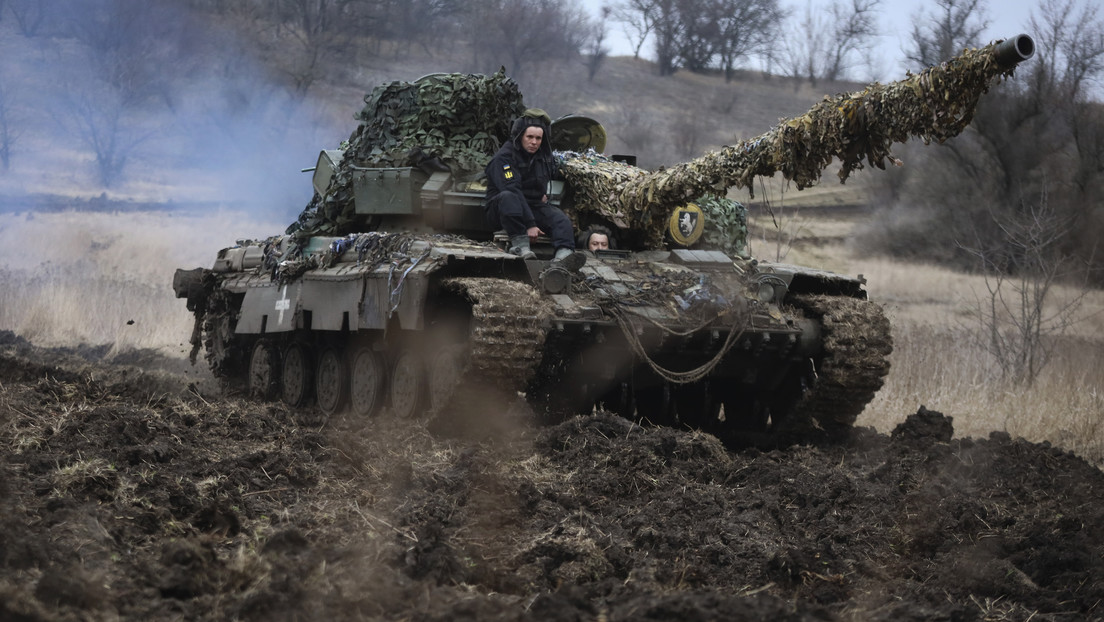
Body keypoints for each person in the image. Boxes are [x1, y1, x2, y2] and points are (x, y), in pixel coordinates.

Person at [484, 109, 578, 262]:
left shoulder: (542, 157)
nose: (534, 142)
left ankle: (564, 255)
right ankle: (521, 246)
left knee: (560, 219)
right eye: (530, 137)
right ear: (521, 136)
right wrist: (530, 224)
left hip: (531, 206)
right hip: (503, 210)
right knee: (509, 197)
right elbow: (512, 189)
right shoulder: (504, 158)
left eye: (538, 138)